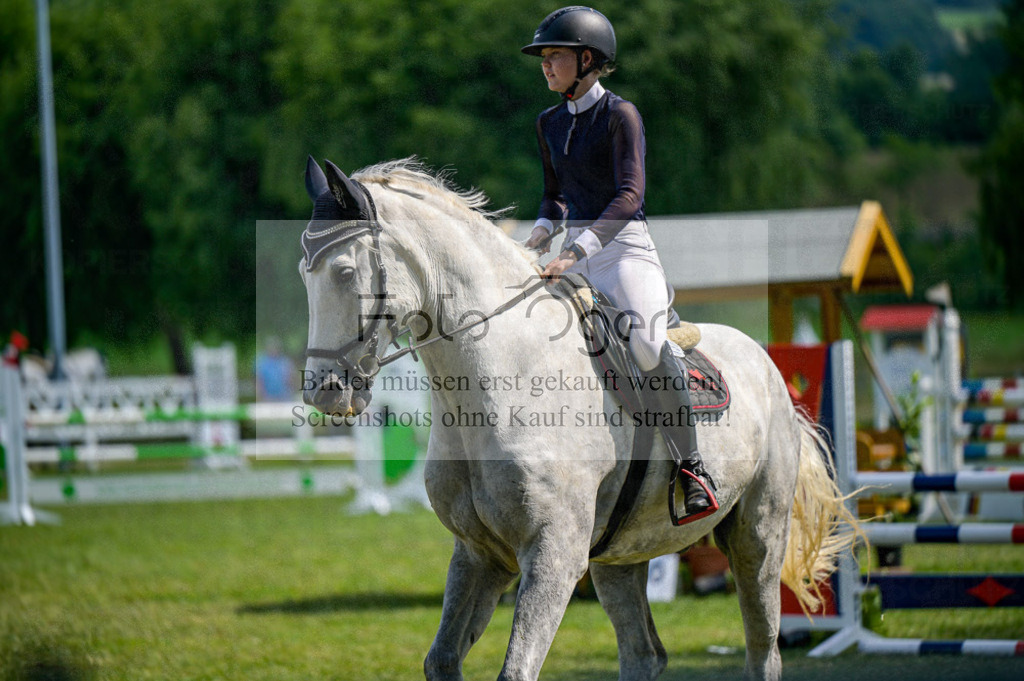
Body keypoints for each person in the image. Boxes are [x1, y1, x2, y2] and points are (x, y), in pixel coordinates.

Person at [521, 6, 716, 520]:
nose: (546, 65)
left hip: (625, 252)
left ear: (587, 59)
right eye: (543, 58)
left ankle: (692, 466)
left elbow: (629, 196)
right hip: (572, 254)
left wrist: (574, 249)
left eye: (555, 56)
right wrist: (539, 234)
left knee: (648, 346)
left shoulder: (620, 116)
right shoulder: (548, 122)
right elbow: (554, 195)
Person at [254, 336, 295, 401]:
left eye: (275, 347)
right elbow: (259, 380)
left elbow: (291, 379)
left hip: (284, 397)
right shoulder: (262, 363)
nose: (273, 349)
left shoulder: (285, 362)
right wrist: (260, 394)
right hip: (268, 397)